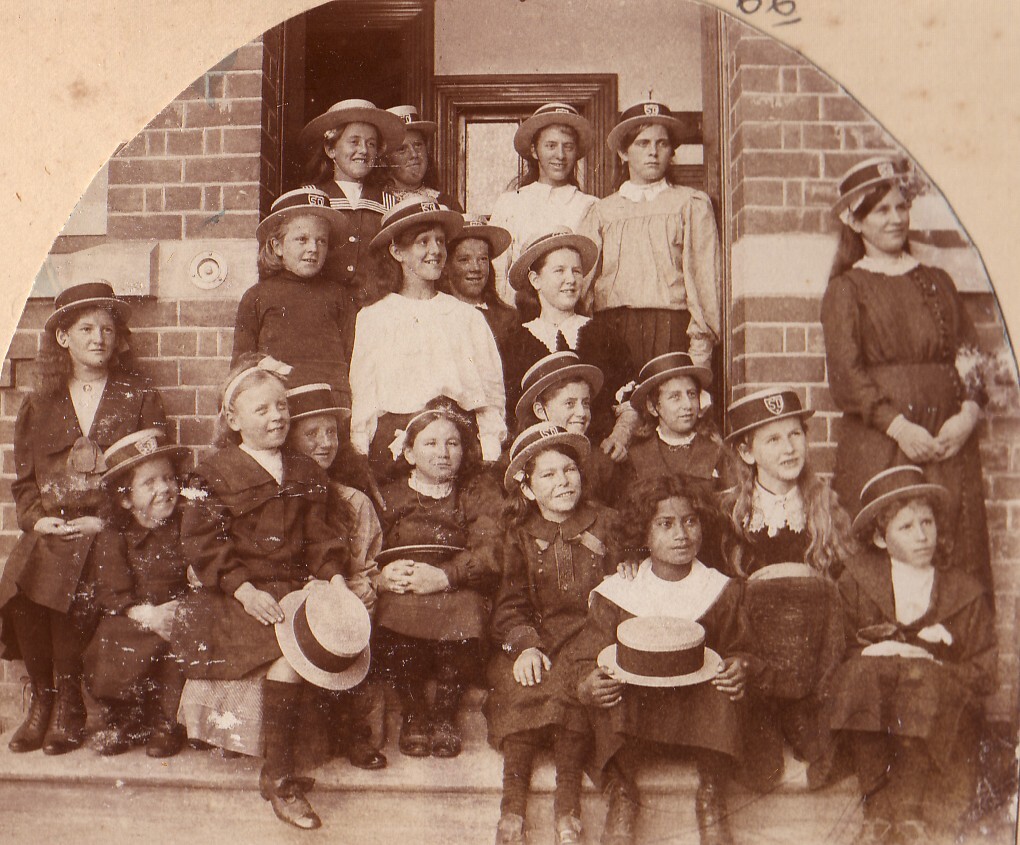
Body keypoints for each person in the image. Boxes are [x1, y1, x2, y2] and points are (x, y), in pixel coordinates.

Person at [173, 354, 351, 830]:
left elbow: (323, 537)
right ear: (233, 420)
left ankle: (287, 764)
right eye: (262, 410)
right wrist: (244, 589)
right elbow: (200, 543)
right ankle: (278, 778)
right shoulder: (209, 473)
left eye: (281, 407)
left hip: (294, 588)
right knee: (290, 657)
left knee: (331, 642)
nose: (277, 417)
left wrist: (332, 578)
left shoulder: (305, 471)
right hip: (235, 595)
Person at [0, 281, 166, 756]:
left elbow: (156, 477)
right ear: (63, 339)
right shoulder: (41, 403)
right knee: (22, 583)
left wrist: (107, 522)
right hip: (56, 529)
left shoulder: (138, 396)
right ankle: (45, 701)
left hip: (113, 531)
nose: (98, 338)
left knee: (65, 573)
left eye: (108, 329)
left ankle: (71, 705)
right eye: (86, 328)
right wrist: (35, 521)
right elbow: (25, 483)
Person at [821, 155, 992, 595]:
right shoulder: (847, 289)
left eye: (901, 208)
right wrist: (899, 428)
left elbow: (971, 354)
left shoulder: (937, 281)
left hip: (946, 441)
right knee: (889, 549)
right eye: (881, 210)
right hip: (885, 442)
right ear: (855, 222)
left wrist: (968, 415)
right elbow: (846, 375)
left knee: (952, 544)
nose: (896, 219)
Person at [562, 475, 756, 845]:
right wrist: (587, 683)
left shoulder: (720, 590)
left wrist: (740, 666)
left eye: (690, 521)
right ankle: (621, 793)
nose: (681, 534)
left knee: (722, 683)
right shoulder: (621, 592)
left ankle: (711, 793)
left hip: (697, 714)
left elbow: (741, 647)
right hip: (638, 715)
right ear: (643, 535)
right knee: (607, 683)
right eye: (665, 525)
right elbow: (586, 653)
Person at [825, 465, 996, 845]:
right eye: (906, 527)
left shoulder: (962, 591)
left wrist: (933, 662)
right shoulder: (856, 582)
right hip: (873, 714)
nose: (922, 536)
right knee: (864, 674)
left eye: (928, 523)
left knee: (919, 677)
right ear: (881, 539)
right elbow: (836, 658)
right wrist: (882, 653)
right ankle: (878, 812)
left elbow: (984, 672)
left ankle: (909, 813)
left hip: (942, 717)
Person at [488, 423, 620, 845]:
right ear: (527, 490)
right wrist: (524, 645)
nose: (563, 481)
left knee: (573, 692)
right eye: (548, 475)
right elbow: (509, 604)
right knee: (519, 687)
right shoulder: (519, 536)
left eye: (569, 470)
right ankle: (512, 810)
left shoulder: (608, 524)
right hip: (540, 638)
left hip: (593, 635)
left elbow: (628, 582)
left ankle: (567, 810)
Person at [718, 387, 854, 785]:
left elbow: (844, 583)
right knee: (759, 765)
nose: (789, 448)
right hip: (755, 653)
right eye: (773, 439)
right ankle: (770, 716)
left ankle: (799, 714)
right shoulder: (728, 513)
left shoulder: (823, 506)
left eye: (795, 434)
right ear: (747, 452)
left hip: (812, 654)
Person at [373, 397, 502, 759]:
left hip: (457, 585)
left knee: (468, 608)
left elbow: (492, 550)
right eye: (430, 443)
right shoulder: (389, 496)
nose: (443, 452)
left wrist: (446, 577)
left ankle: (445, 712)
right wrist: (381, 577)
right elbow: (366, 545)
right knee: (396, 609)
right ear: (410, 453)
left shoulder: (475, 493)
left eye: (453, 443)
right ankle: (414, 711)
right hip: (403, 585)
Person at [349, 199, 506, 473]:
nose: (435, 250)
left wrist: (491, 450)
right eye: (423, 242)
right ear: (397, 251)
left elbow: (491, 392)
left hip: (457, 445)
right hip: (397, 447)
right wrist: (361, 454)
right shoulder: (374, 317)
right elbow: (364, 395)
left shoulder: (466, 317)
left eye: (441, 241)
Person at [284, 381, 387, 770]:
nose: (325, 442)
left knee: (354, 624)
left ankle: (354, 733)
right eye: (311, 434)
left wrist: (354, 593)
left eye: (331, 432)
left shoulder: (352, 500)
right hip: (288, 604)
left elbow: (365, 567)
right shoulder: (278, 496)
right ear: (290, 439)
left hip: (340, 603)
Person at [579, 101, 721, 370]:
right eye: (642, 144)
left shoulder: (690, 203)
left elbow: (704, 283)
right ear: (623, 152)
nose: (653, 152)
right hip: (612, 331)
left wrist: (700, 351)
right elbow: (583, 286)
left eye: (662, 144)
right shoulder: (601, 212)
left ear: (671, 151)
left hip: (670, 329)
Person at [83, 428, 190, 758]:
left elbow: (201, 571)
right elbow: (112, 592)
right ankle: (119, 719)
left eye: (169, 479)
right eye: (150, 483)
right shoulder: (115, 536)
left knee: (179, 645)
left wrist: (180, 606)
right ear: (125, 498)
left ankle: (167, 723)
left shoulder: (187, 524)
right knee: (111, 638)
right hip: (136, 615)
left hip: (177, 611)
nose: (164, 489)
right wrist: (146, 614)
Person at [502, 229, 637, 460]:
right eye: (559, 271)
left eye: (577, 271)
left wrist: (619, 437)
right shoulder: (514, 342)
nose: (571, 279)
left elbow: (629, 400)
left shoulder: (603, 335)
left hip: (597, 456)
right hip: (539, 460)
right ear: (536, 280)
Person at [230, 188, 354, 404]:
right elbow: (242, 363)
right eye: (302, 239)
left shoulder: (338, 296)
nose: (313, 248)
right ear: (277, 246)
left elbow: (352, 356)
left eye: (321, 241)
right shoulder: (257, 296)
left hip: (331, 403)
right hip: (281, 403)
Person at [623, 352, 730, 568]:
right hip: (655, 568)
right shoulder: (636, 456)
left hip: (711, 562)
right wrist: (630, 558)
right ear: (654, 407)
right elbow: (627, 521)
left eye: (691, 394)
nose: (687, 405)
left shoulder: (716, 452)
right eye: (675, 397)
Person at [298, 98, 406, 309]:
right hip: (322, 311)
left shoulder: (389, 203)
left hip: (376, 311)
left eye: (371, 144)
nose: (364, 150)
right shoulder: (312, 197)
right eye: (354, 141)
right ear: (331, 150)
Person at [490, 103, 597, 306]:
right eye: (550, 145)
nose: (560, 155)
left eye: (568, 146)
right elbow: (498, 272)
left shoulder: (591, 206)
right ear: (534, 150)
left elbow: (591, 277)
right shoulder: (510, 203)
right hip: (519, 317)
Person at [513, 351, 618, 505]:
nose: (582, 413)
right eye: (569, 403)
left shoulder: (601, 462)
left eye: (586, 403)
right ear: (540, 410)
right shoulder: (517, 463)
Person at [442, 216, 519, 352]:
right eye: (464, 260)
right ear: (446, 266)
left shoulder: (509, 319)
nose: (475, 268)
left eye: (483, 259)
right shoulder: (439, 317)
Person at [381, 105, 460, 210]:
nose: (414, 154)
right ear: (385, 160)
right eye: (402, 149)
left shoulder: (447, 203)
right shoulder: (378, 203)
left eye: (418, 145)